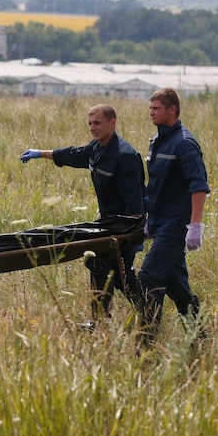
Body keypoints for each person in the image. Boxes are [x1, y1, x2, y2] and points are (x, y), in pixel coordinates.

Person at [20, 104, 145, 322]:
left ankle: (149, 313)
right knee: (97, 265)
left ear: (112, 122)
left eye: (97, 123)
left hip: (124, 228)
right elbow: (73, 155)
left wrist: (132, 238)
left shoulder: (124, 156)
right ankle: (99, 322)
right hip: (106, 224)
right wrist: (40, 153)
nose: (92, 128)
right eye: (90, 123)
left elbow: (135, 203)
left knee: (122, 278)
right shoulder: (97, 148)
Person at [138, 88, 209, 349]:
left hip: (175, 226)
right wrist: (149, 218)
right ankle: (199, 337)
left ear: (172, 110)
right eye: (151, 108)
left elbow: (198, 185)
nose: (151, 112)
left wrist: (195, 226)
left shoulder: (184, 144)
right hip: (159, 223)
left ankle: (146, 345)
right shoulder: (158, 142)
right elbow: (155, 184)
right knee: (176, 285)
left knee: (148, 278)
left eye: (156, 108)